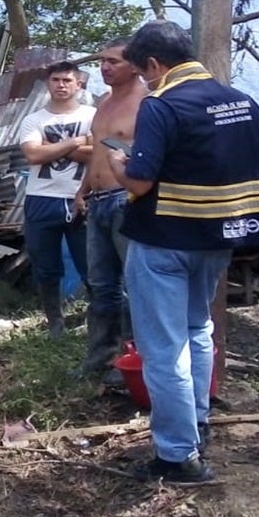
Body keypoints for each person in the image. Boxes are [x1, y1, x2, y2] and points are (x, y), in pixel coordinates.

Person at [107, 21, 259, 483]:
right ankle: (196, 420)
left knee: (163, 349)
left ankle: (178, 455)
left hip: (164, 242)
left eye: (144, 74)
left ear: (154, 65)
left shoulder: (162, 106)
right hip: (219, 239)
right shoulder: (242, 102)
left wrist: (118, 164)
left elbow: (141, 182)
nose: (147, 81)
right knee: (197, 328)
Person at [74, 39, 147, 380]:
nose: (105, 67)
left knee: (134, 285)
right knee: (100, 285)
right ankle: (99, 361)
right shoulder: (103, 102)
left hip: (126, 200)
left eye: (113, 61)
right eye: (102, 61)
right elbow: (99, 153)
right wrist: (83, 190)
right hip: (99, 200)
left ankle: (136, 360)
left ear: (134, 65)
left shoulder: (148, 102)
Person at [15, 60, 95, 337]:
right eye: (56, 80)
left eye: (67, 80)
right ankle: (55, 323)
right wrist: (75, 142)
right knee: (46, 266)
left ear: (79, 84)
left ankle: (99, 326)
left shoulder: (93, 116)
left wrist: (53, 148)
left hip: (83, 196)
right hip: (41, 198)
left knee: (92, 266)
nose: (61, 85)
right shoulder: (33, 120)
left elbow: (99, 153)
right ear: (48, 84)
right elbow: (33, 155)